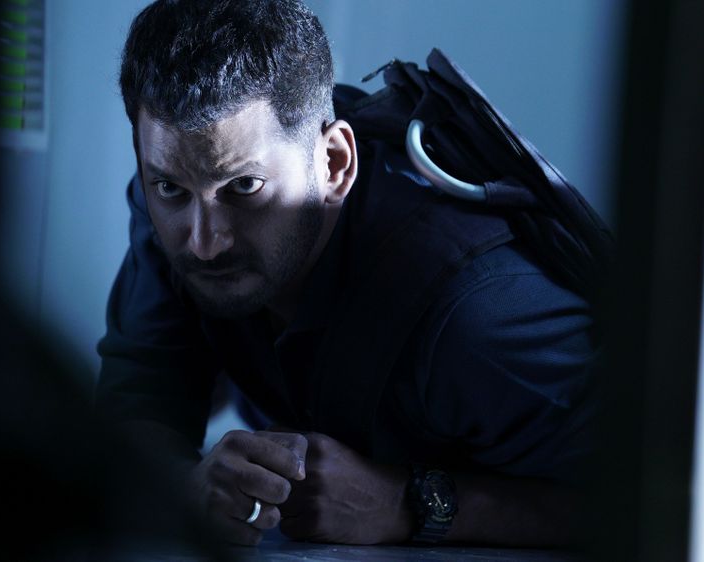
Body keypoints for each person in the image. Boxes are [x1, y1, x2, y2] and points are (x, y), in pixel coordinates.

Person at [96, 0, 597, 548]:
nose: (204, 242)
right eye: (170, 188)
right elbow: (142, 399)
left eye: (244, 187)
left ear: (334, 163)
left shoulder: (476, 313)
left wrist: (411, 503)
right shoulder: (174, 205)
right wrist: (185, 487)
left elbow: (654, 498)